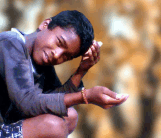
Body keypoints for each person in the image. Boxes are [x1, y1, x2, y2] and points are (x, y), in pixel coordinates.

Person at [0, 10, 129, 138]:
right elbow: (27, 102)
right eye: (59, 42)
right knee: (53, 126)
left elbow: (50, 101)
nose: (56, 55)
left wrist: (81, 71)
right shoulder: (10, 43)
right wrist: (86, 96)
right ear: (45, 25)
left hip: (8, 123)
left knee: (70, 116)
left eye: (66, 56)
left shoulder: (43, 64)